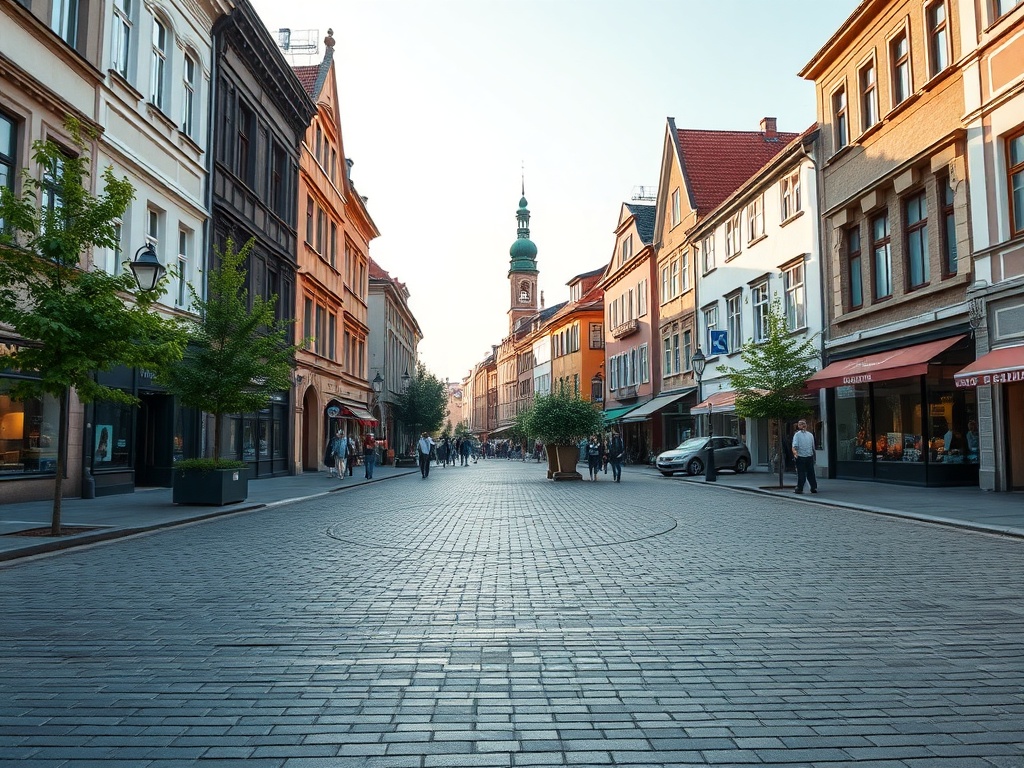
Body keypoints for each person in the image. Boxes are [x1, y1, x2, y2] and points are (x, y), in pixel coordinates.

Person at [791, 419, 818, 494]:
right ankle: (807, 488)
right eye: (800, 424)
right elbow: (795, 446)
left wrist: (795, 454)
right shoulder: (800, 434)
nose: (802, 425)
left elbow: (813, 447)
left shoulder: (807, 435)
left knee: (806, 473)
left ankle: (807, 488)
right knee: (806, 473)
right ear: (798, 426)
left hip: (806, 456)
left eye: (803, 423)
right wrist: (795, 454)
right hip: (804, 456)